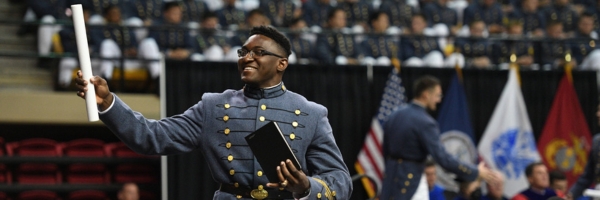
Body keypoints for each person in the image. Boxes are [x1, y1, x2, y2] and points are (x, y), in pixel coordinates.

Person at [75, 25, 352, 199]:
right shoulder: (213, 106)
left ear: (281, 64)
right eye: (243, 51)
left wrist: (305, 188)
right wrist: (109, 102)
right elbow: (151, 137)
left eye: (258, 52)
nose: (247, 57)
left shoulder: (311, 113)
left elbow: (340, 181)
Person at [380, 75, 499, 200]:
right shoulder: (426, 122)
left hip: (390, 181)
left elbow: (385, 150)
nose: (439, 100)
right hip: (410, 183)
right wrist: (474, 171)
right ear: (426, 94)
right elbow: (443, 158)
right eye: (437, 95)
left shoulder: (394, 115)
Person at [567, 104, 600, 200]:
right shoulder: (597, 141)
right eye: (598, 110)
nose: (597, 114)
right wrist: (571, 194)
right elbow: (587, 176)